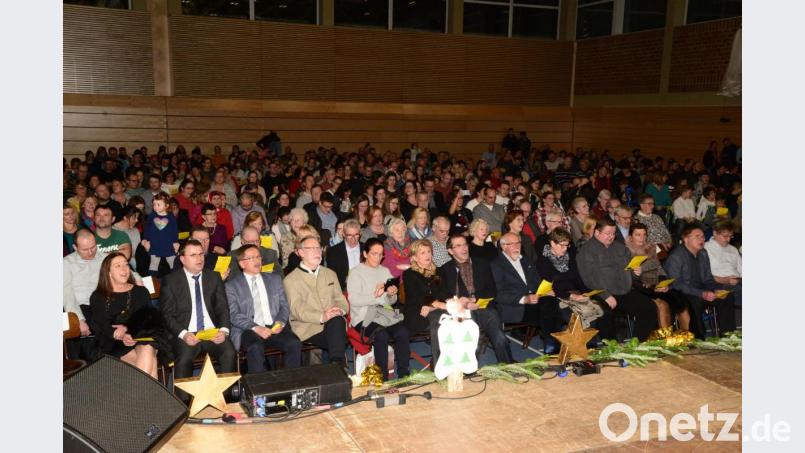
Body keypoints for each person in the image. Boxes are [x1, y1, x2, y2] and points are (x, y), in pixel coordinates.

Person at [160, 239, 237, 399]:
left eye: (201, 254)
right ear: (182, 259)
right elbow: (167, 314)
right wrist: (183, 334)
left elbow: (222, 308)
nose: (199, 258)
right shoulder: (171, 281)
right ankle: (183, 405)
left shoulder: (213, 277)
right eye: (193, 255)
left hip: (212, 331)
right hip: (187, 332)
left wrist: (224, 330)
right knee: (183, 359)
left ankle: (228, 400)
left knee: (229, 352)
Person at [576, 218, 658, 341]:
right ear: (597, 233)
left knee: (649, 307)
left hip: (624, 290)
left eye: (613, 233)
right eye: (607, 233)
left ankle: (638, 343)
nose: (611, 236)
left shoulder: (620, 248)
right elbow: (589, 278)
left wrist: (636, 273)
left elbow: (630, 271)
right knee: (605, 313)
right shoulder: (586, 251)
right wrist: (606, 295)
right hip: (599, 292)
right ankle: (611, 347)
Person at [226, 244, 302, 373]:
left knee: (294, 343)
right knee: (255, 346)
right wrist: (256, 328)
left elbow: (284, 305)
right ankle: (259, 389)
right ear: (242, 264)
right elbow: (233, 315)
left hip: (273, 326)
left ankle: (291, 384)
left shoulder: (274, 279)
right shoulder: (232, 286)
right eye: (251, 258)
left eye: (258, 257)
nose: (256, 261)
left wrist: (280, 322)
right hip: (248, 329)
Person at [438, 234, 513, 362]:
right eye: (458, 246)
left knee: (500, 337)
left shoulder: (482, 263)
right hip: (462, 311)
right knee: (472, 339)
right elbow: (444, 295)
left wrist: (475, 300)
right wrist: (463, 303)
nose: (464, 248)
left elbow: (492, 289)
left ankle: (508, 365)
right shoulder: (444, 270)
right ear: (450, 251)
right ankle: (469, 369)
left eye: (465, 244)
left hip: (484, 307)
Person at [89, 252, 163, 378]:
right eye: (117, 266)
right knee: (150, 361)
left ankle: (140, 397)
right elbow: (99, 324)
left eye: (126, 265)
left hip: (140, 337)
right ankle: (151, 397)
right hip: (113, 343)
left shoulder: (140, 291)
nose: (124, 269)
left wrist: (129, 331)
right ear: (108, 272)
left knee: (147, 348)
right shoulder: (98, 296)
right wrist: (121, 334)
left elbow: (149, 320)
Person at [347, 238, 410, 379]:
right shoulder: (355, 273)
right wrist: (376, 296)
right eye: (374, 254)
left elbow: (390, 301)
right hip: (363, 318)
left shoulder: (384, 271)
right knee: (381, 335)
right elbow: (354, 300)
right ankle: (383, 377)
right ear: (365, 254)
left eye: (380, 254)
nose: (378, 257)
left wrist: (392, 294)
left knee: (403, 332)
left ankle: (404, 375)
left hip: (384, 315)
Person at [284, 235, 349, 367]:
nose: (317, 251)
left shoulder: (330, 273)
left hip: (333, 323)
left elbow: (340, 299)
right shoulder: (291, 280)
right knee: (338, 337)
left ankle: (335, 366)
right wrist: (322, 316)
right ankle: (338, 368)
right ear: (300, 252)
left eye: (318, 248)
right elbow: (297, 309)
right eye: (311, 248)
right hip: (308, 327)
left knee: (337, 322)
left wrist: (339, 310)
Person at [490, 233, 561, 352]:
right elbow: (498, 294)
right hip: (515, 306)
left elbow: (537, 282)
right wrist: (524, 299)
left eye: (518, 243)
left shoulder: (525, 260)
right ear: (503, 246)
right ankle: (553, 345)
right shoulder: (496, 265)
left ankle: (553, 344)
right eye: (512, 244)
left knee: (552, 301)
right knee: (549, 308)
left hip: (536, 300)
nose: (516, 246)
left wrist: (545, 291)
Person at [664, 225, 736, 338]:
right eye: (697, 236)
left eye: (703, 237)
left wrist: (717, 288)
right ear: (686, 239)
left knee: (726, 297)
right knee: (695, 301)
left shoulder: (703, 253)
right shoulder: (676, 257)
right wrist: (701, 293)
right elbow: (676, 284)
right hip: (682, 292)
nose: (702, 239)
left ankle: (728, 335)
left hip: (702, 289)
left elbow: (708, 279)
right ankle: (698, 338)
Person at [626, 223, 690, 330]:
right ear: (631, 236)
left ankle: (687, 336)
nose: (642, 238)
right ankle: (666, 339)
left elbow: (659, 269)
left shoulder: (651, 247)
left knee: (681, 300)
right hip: (642, 288)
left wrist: (663, 283)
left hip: (657, 285)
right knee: (663, 305)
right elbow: (629, 277)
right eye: (638, 235)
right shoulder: (626, 251)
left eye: (644, 234)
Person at [64, 230, 107, 360]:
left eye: (93, 247)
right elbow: (67, 294)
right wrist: (79, 319)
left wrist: (137, 279)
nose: (91, 252)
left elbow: (127, 271)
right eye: (85, 249)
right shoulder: (65, 263)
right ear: (75, 247)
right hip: (79, 307)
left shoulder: (105, 258)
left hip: (103, 305)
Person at [703, 220, 742, 325]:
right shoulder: (705, 248)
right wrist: (726, 280)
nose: (728, 239)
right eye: (725, 236)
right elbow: (703, 275)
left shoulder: (733, 249)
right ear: (715, 233)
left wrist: (737, 279)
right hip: (717, 283)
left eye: (731, 236)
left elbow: (741, 271)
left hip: (736, 281)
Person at [142, 192, 179, 277]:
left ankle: (177, 279)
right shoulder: (151, 216)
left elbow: (174, 231)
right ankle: (152, 283)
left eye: (158, 204)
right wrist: (145, 239)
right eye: (154, 204)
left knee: (172, 262)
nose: (155, 206)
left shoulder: (171, 217)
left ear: (166, 205)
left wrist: (175, 241)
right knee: (154, 263)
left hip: (168, 244)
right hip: (155, 243)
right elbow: (147, 229)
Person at [326, 219, 363, 290]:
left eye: (356, 235)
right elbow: (331, 277)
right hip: (343, 290)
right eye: (349, 235)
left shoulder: (366, 249)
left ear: (360, 234)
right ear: (343, 234)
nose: (353, 238)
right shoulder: (333, 251)